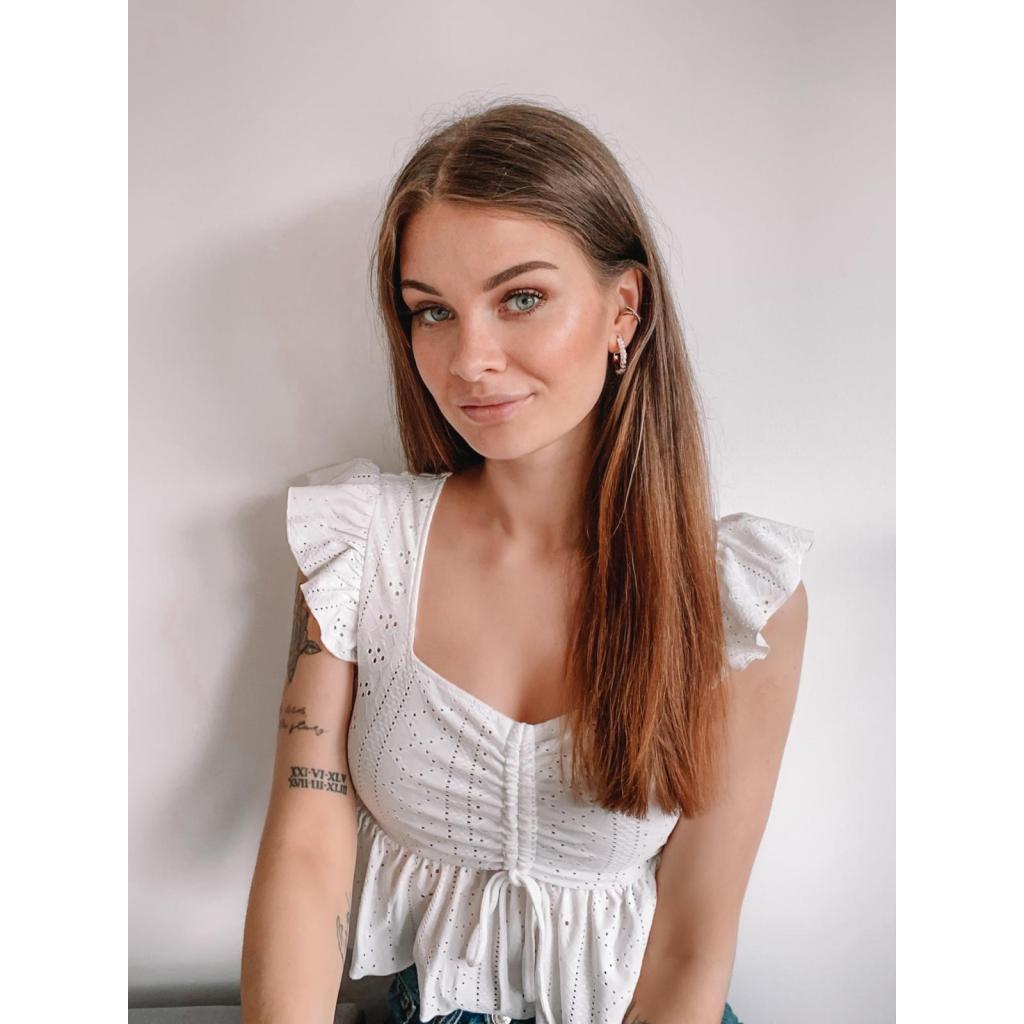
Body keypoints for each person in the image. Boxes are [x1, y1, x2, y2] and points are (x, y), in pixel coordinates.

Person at [241, 99, 814, 1024]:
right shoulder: (359, 549)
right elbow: (306, 860)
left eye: (520, 298)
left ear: (624, 308)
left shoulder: (737, 598)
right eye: (432, 311)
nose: (469, 359)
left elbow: (692, 941)